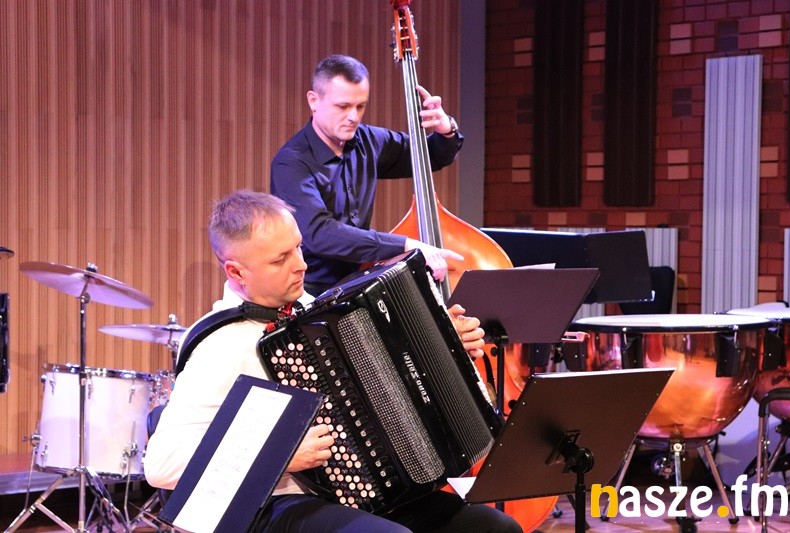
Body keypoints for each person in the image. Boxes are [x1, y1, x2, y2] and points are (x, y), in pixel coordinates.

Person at [144, 189, 521, 532]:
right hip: (270, 503)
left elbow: (397, 383)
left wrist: (444, 345)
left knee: (495, 528)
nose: (300, 265)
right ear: (236, 271)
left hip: (363, 493)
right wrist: (279, 454)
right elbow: (162, 466)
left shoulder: (320, 313)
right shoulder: (218, 345)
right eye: (280, 259)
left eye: (297, 248)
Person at [271, 54, 465, 297]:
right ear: (314, 100)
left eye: (360, 106)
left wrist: (446, 131)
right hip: (310, 293)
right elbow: (319, 233)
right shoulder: (291, 162)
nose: (354, 117)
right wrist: (406, 244)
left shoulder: (369, 140)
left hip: (361, 285)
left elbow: (431, 157)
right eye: (343, 106)